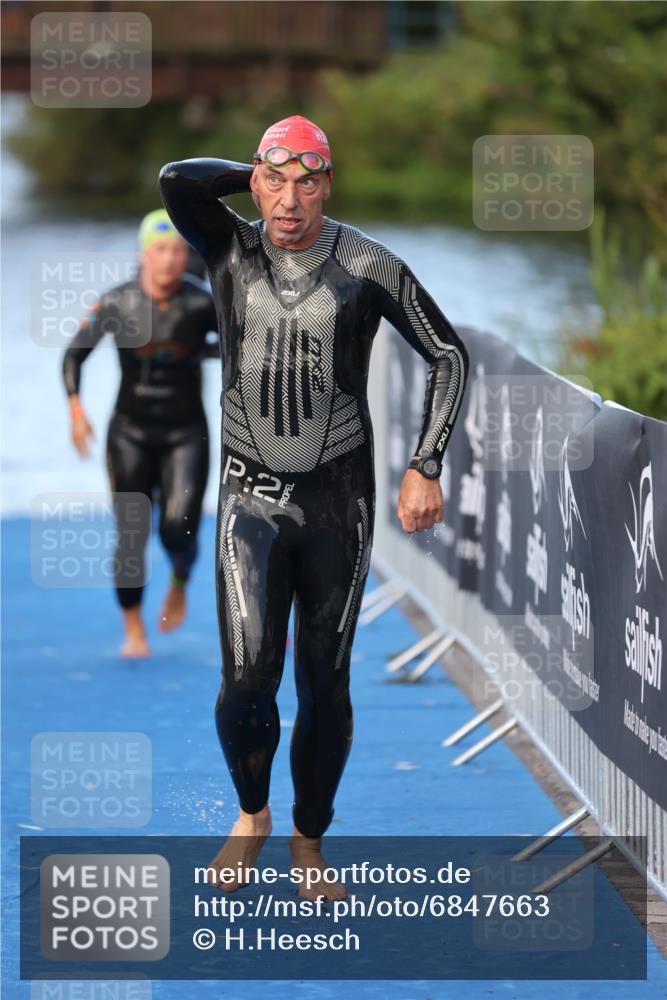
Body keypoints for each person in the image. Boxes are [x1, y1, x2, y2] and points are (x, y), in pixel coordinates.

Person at [159, 115, 469, 899]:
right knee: (244, 680)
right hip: (248, 499)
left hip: (338, 500)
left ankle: (308, 839)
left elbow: (447, 353)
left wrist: (424, 464)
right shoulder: (228, 246)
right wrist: (259, 164)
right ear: (255, 184)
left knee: (322, 685)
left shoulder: (368, 265)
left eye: (307, 181)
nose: (290, 200)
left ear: (329, 184)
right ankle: (252, 813)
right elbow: (175, 178)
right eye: (275, 182)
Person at [62, 210, 219, 658]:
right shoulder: (117, 302)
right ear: (144, 253)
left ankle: (180, 579)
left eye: (177, 251)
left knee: (177, 530)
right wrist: (76, 410)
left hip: (186, 432)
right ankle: (134, 630)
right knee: (132, 533)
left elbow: (240, 345)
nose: (169, 260)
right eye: (160, 250)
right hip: (129, 431)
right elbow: (74, 356)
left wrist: (206, 352)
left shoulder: (201, 302)